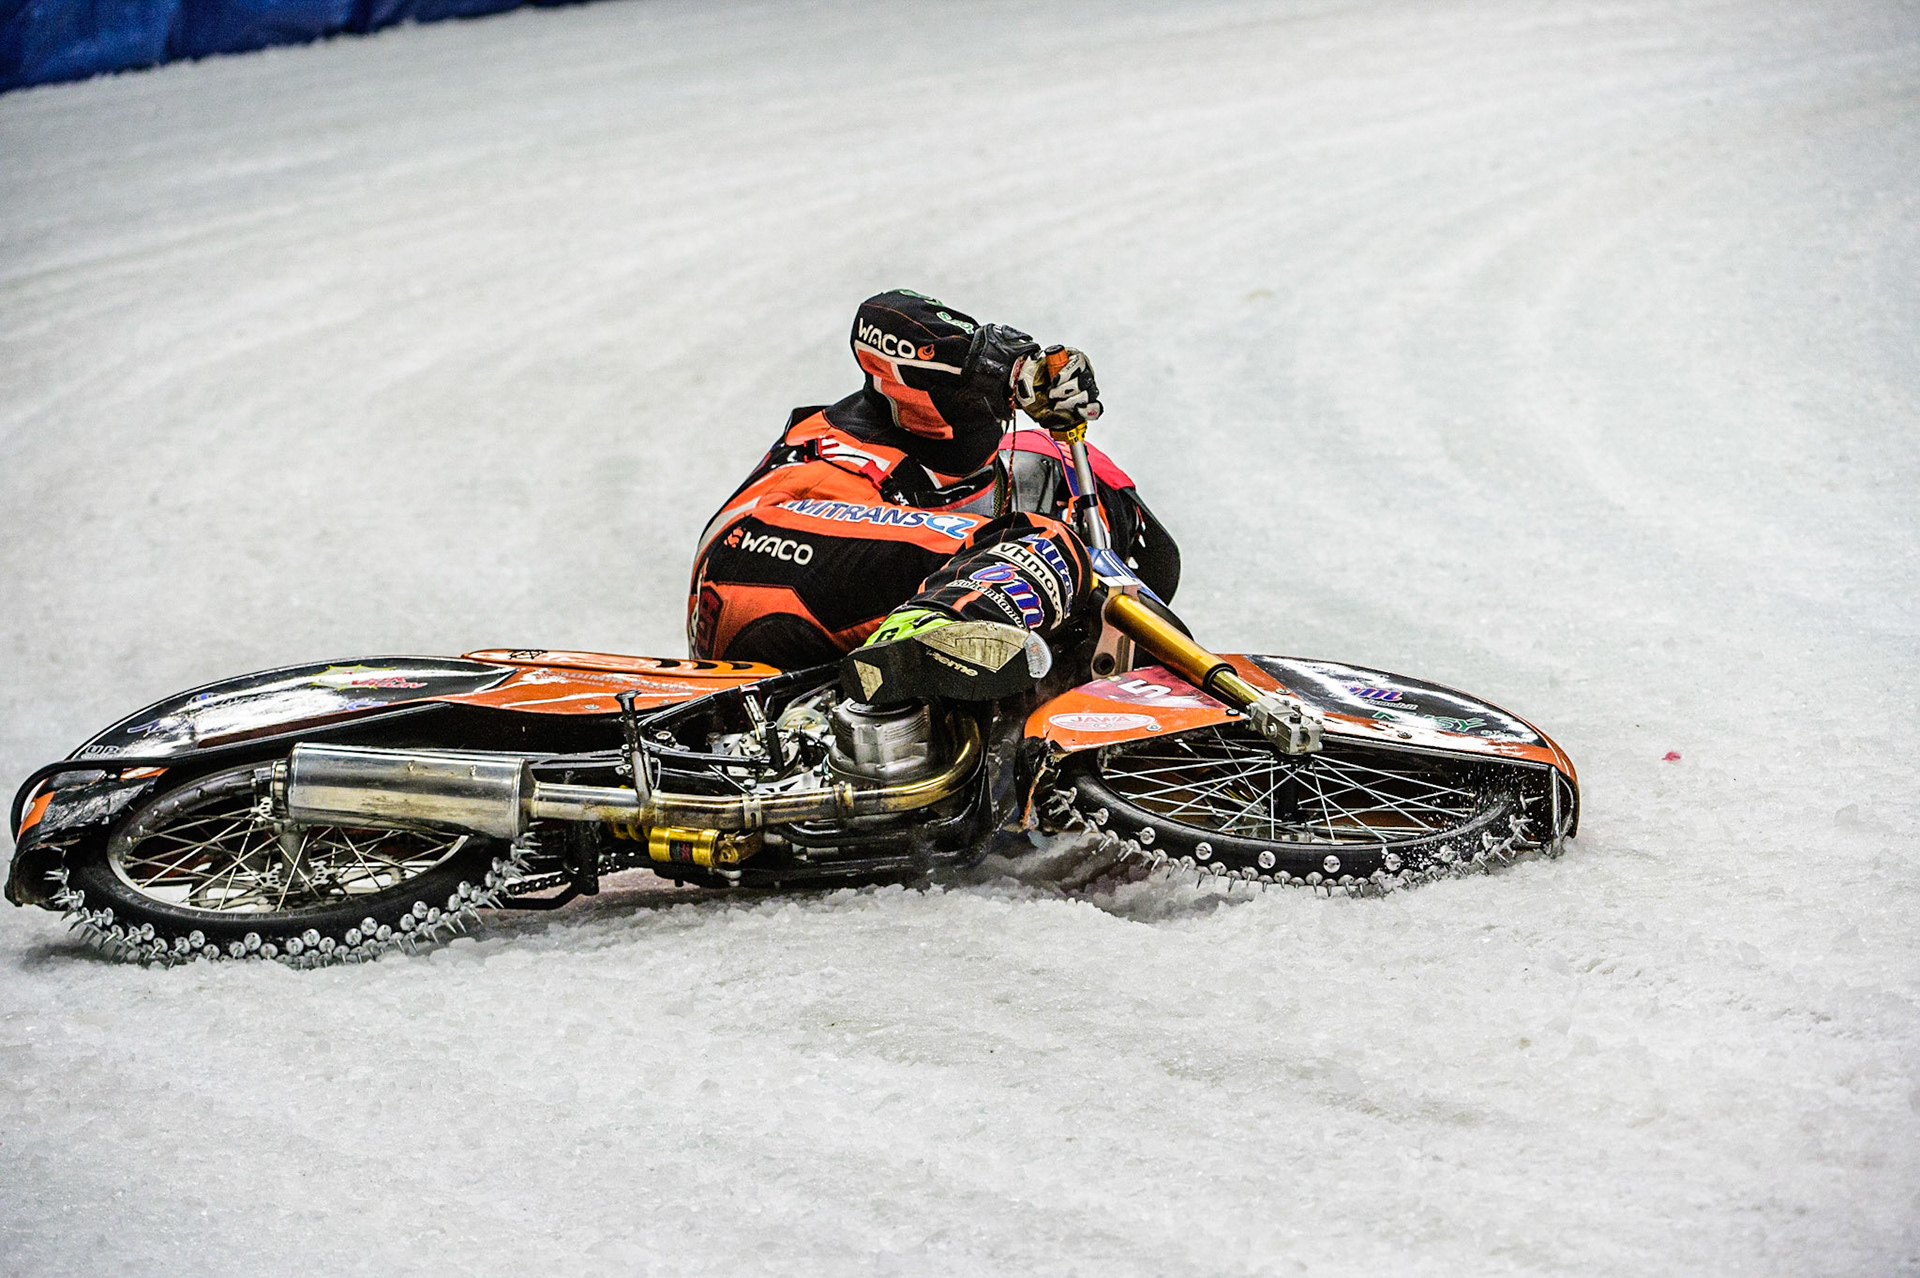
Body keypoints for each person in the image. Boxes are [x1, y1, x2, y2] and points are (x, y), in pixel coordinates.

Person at [687, 289, 1179, 704]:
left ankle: (940, 673)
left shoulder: (1036, 453)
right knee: (1042, 545)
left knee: (1069, 516)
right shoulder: (841, 454)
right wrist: (986, 360)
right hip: (768, 547)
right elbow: (882, 316)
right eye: (983, 391)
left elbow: (1154, 562)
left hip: (864, 607)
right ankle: (913, 647)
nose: (996, 412)